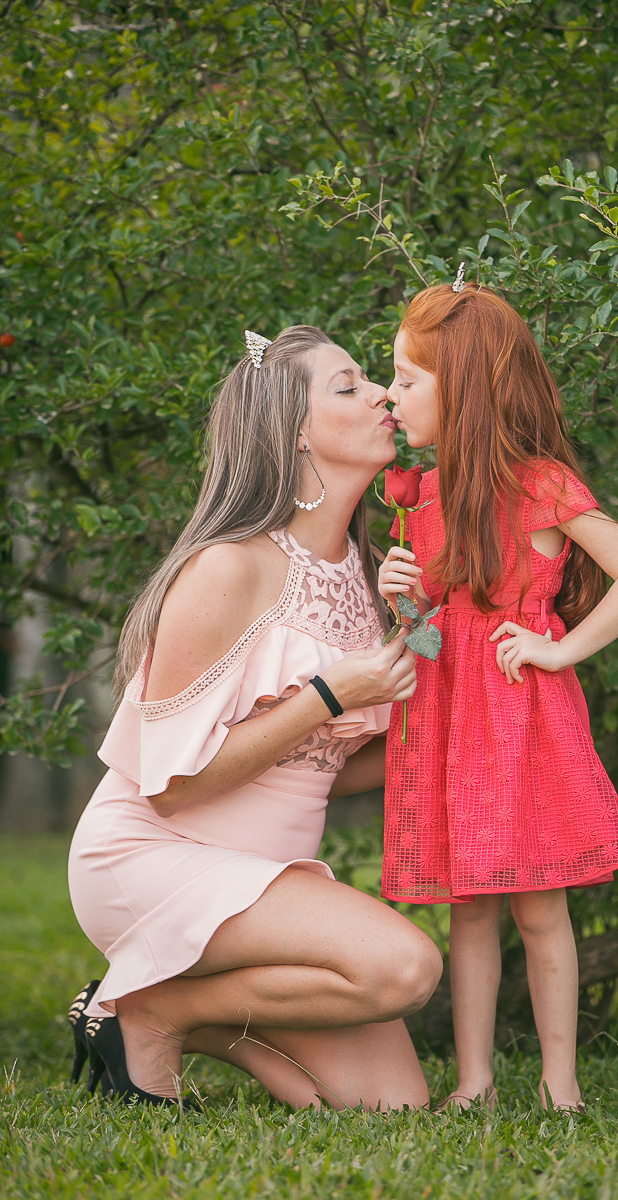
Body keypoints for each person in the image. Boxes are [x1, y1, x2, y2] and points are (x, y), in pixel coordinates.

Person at [67, 325, 443, 1111]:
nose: (381, 394)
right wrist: (331, 695)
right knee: (402, 969)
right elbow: (170, 788)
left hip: (263, 876)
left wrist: (460, 746)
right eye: (349, 386)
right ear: (295, 433)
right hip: (154, 856)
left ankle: (151, 1012)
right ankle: (158, 1009)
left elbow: (321, 771)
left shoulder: (371, 576)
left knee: (394, 1108)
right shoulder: (229, 567)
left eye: (374, 380)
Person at [377, 280, 618, 1112]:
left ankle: (560, 1085)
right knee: (471, 915)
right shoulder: (419, 497)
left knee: (540, 913)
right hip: (451, 724)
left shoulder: (539, 485)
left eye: (406, 378)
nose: (391, 395)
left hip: (520, 720)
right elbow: (425, 633)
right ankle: (474, 1084)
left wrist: (559, 648)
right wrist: (401, 597)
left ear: (460, 388)